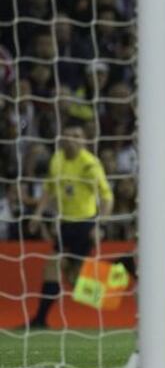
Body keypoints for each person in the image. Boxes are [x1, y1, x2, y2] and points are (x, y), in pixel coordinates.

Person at [25, 124, 113, 329]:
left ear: (84, 140)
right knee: (55, 267)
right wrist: (38, 214)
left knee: (72, 276)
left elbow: (107, 197)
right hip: (65, 224)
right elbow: (49, 188)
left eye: (76, 134)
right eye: (68, 133)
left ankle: (115, 287)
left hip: (85, 224)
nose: (71, 137)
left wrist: (101, 225)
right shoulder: (57, 159)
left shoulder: (90, 164)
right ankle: (40, 320)